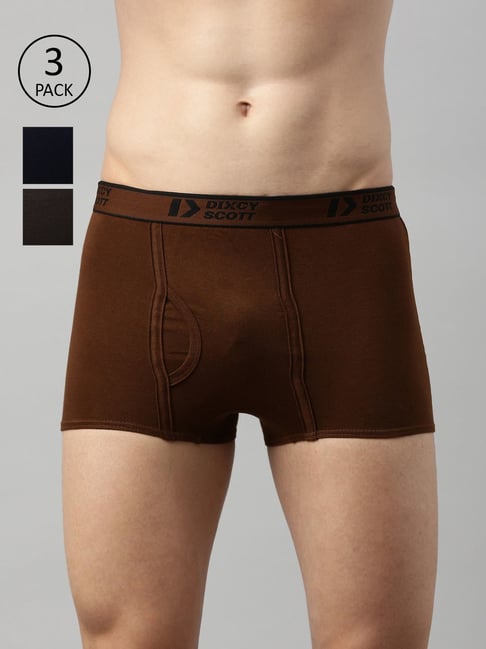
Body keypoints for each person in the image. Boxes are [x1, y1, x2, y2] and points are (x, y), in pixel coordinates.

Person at [60, 1, 438, 647]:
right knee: (125, 636)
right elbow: (35, 57)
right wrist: (38, 217)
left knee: (377, 638)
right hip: (144, 260)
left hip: (342, 264)